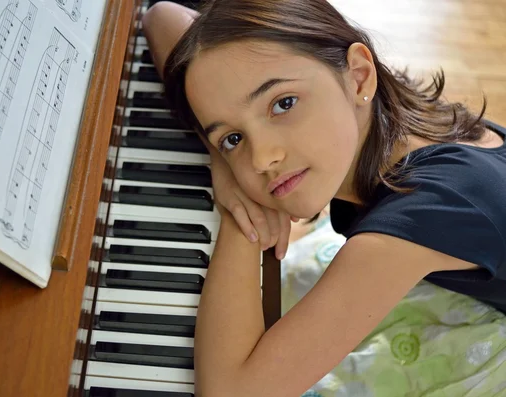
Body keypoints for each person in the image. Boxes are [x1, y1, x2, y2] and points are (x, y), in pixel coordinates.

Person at [141, 1, 506, 396]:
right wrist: (223, 164)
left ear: (360, 77)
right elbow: (162, 17)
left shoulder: (425, 215)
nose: (263, 158)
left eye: (283, 104)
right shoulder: (384, 120)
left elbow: (231, 392)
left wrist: (240, 212)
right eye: (234, 138)